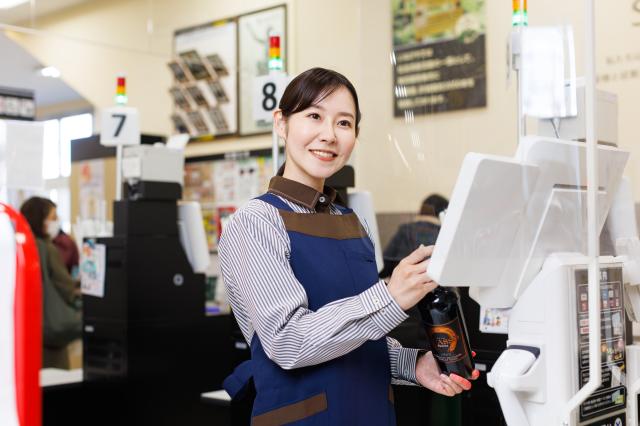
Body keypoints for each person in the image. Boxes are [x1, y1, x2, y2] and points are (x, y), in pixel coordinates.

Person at [218, 68, 478, 425]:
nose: (329, 135)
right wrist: (390, 296)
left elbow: (357, 337)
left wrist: (414, 364)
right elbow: (288, 341)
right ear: (281, 123)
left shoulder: (353, 222)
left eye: (344, 123)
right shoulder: (256, 222)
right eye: (314, 116)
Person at [20, 196, 81, 368]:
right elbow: (66, 288)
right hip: (49, 337)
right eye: (53, 218)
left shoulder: (19, 247)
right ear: (40, 220)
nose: (57, 222)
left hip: (25, 331)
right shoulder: (47, 249)